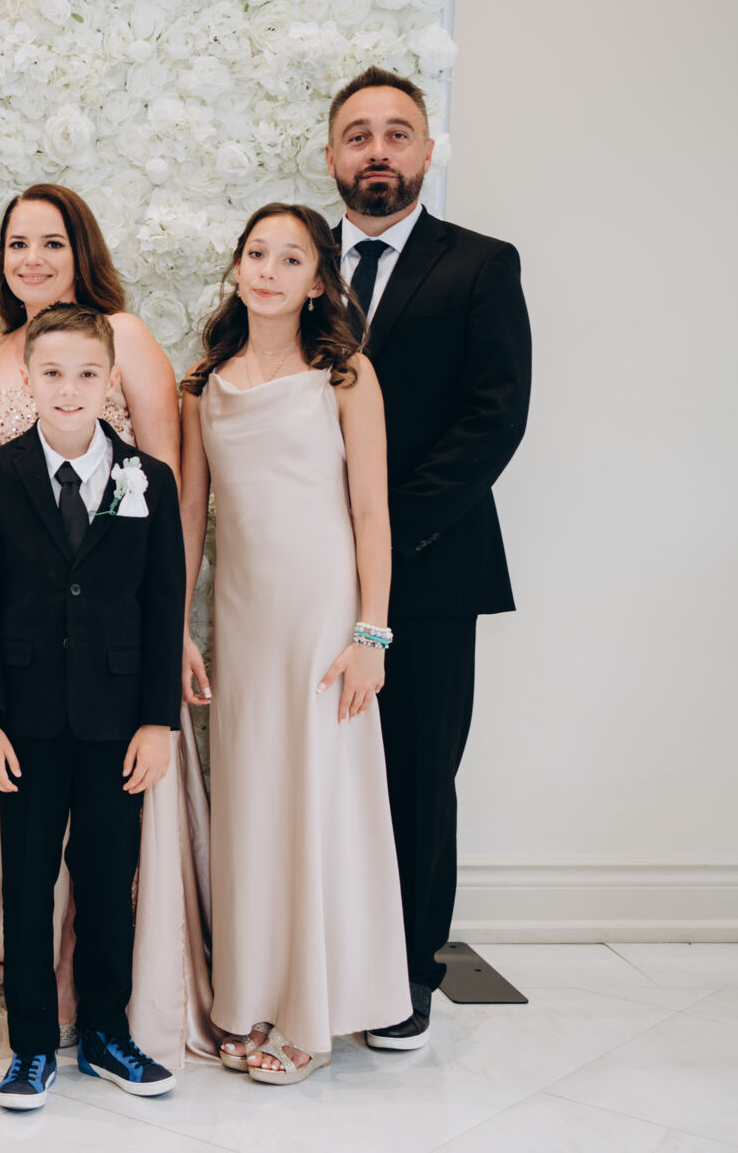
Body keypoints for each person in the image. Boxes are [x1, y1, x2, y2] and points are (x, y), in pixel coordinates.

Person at [0, 184, 214, 1067]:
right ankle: (30, 1043)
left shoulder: (146, 478)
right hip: (23, 710)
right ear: (27, 382)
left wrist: (156, 718)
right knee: (26, 883)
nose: (69, 389)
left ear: (110, 381)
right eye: (53, 376)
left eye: (86, 376)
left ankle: (105, 1032)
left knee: (108, 880)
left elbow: (159, 592)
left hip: (115, 712)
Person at [324, 67, 533, 1050]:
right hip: (302, 576)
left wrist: (382, 537)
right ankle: (322, 960)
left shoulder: (479, 264)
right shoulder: (291, 261)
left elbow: (494, 416)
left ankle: (407, 975)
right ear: (331, 155)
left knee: (414, 777)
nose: (377, 150)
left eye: (396, 133)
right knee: (317, 771)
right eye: (358, 134)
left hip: (432, 569)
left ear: (425, 150)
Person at [180, 203, 409, 1083]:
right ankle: (251, 998)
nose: (268, 271)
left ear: (318, 280)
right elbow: (191, 520)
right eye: (255, 254)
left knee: (315, 800)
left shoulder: (344, 376)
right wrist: (180, 629)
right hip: (242, 620)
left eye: (290, 258)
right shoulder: (205, 383)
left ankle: (311, 1019)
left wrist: (369, 635)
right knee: (253, 804)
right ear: (238, 267)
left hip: (323, 618)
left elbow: (370, 512)